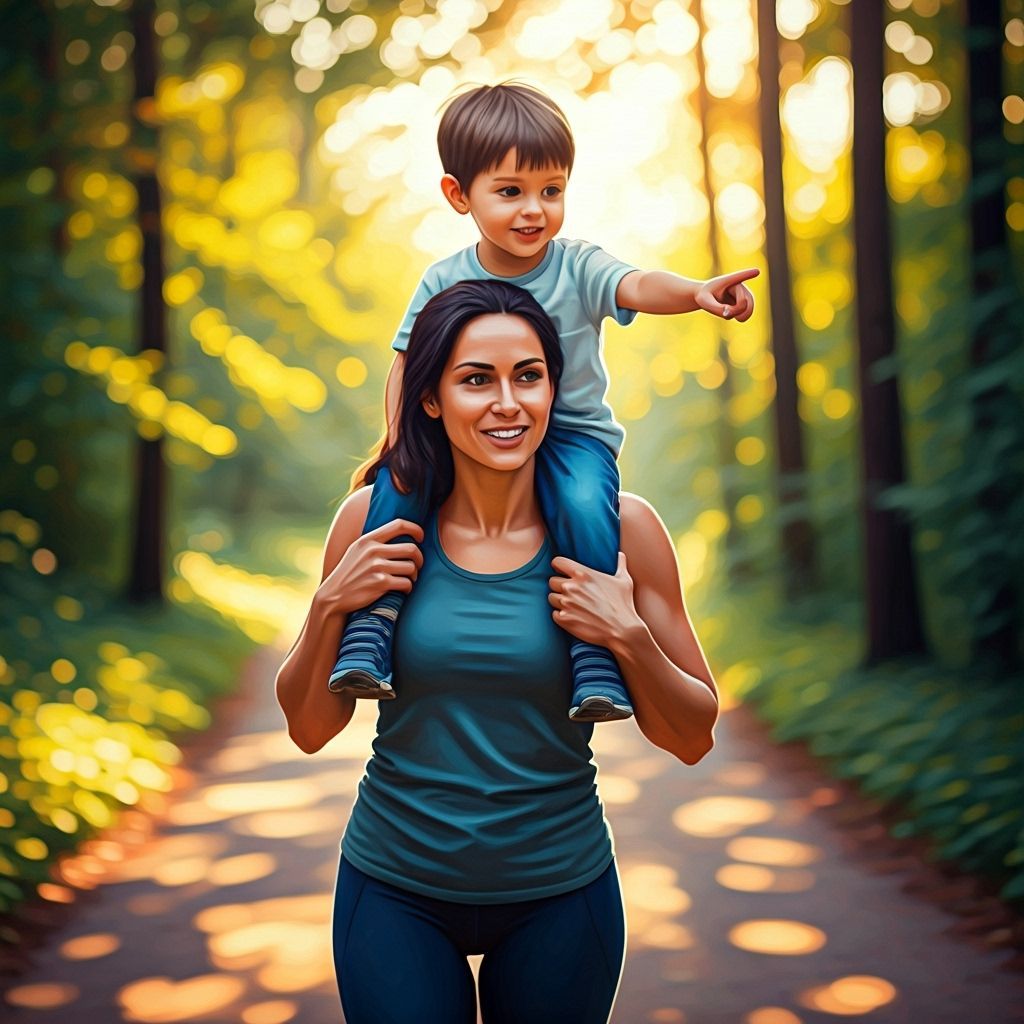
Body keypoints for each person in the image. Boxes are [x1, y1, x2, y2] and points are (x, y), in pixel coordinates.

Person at [275, 279, 719, 1023]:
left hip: (561, 893)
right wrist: (327, 608)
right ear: (430, 398)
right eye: (477, 379)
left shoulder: (623, 531)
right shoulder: (371, 522)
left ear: (555, 386)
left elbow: (694, 736)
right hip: (394, 888)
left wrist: (627, 636)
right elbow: (310, 728)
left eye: (529, 376)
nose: (508, 403)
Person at [327, 80, 756, 724]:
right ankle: (371, 627)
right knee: (397, 487)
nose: (534, 210)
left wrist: (695, 292)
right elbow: (406, 366)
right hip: (460, 442)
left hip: (572, 437)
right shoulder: (445, 279)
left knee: (586, 504)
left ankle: (592, 652)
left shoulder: (578, 265)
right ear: (458, 195)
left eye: (551, 190)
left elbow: (638, 284)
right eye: (510, 192)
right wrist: (401, 441)